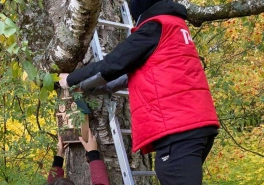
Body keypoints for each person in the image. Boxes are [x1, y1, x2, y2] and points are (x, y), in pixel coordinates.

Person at [58, 0, 220, 184]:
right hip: (197, 125)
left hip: (178, 130)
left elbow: (114, 63)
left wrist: (71, 79)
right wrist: (96, 88)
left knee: (170, 172)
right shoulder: (174, 28)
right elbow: (137, 72)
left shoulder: (154, 27)